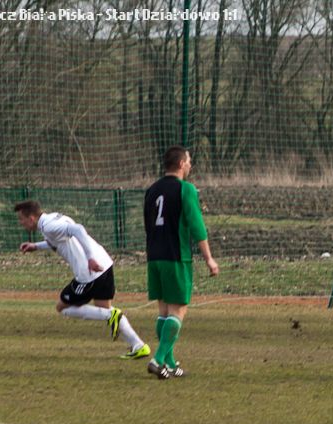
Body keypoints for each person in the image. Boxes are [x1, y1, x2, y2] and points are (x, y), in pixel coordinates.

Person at [16, 200, 149, 359]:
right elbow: (60, 239)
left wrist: (90, 258)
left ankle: (112, 316)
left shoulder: (49, 226)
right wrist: (36, 246)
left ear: (31, 218)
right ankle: (139, 345)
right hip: (104, 264)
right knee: (104, 309)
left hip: (89, 273)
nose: (21, 223)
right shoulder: (53, 218)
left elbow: (78, 229)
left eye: (21, 219)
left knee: (62, 307)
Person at [144, 145, 219, 379]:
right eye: (188, 162)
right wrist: (209, 258)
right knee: (178, 311)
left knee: (164, 311)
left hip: (154, 257)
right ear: (180, 164)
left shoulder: (151, 190)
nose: (190, 166)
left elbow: (148, 224)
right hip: (176, 257)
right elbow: (197, 226)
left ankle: (169, 362)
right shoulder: (186, 189)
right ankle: (157, 359)